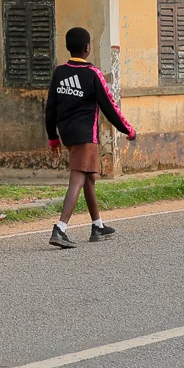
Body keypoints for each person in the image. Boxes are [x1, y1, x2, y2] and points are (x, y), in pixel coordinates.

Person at [43, 26, 136, 249]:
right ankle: (60, 229)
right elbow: (110, 107)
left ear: (68, 47)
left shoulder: (59, 72)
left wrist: (53, 138)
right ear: (87, 47)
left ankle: (97, 225)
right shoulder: (92, 74)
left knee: (88, 177)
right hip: (86, 134)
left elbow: (50, 108)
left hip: (67, 133)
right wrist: (128, 130)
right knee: (78, 177)